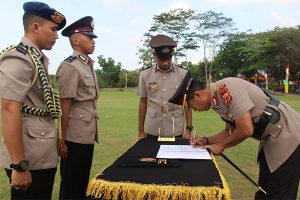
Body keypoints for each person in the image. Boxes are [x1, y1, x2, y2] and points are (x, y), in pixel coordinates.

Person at [169, 75, 300, 199]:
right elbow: (230, 130)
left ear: (197, 95)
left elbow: (246, 129)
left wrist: (220, 145)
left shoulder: (226, 89)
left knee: (279, 193)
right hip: (271, 137)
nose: (195, 110)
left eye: (192, 106)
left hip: (287, 134)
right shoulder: (217, 98)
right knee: (264, 190)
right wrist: (206, 140)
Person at [0, 2, 66, 199]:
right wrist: (19, 166)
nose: (56, 36)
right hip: (29, 158)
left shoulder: (36, 58)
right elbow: (9, 109)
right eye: (53, 29)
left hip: (40, 154)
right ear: (35, 27)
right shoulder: (19, 58)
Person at [56, 16, 99, 199]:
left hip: (86, 132)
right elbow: (64, 105)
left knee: (81, 182)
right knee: (71, 184)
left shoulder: (87, 65)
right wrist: (62, 140)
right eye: (88, 37)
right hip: (73, 136)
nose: (93, 41)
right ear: (75, 40)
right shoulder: (70, 66)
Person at [138, 34, 192, 139]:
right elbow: (143, 102)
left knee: (175, 156)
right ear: (154, 56)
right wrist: (140, 131)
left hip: (175, 127)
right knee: (152, 155)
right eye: (162, 59)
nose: (165, 62)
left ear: (172, 55)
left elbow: (187, 102)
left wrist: (188, 129)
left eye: (168, 58)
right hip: (153, 128)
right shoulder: (145, 74)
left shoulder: (183, 73)